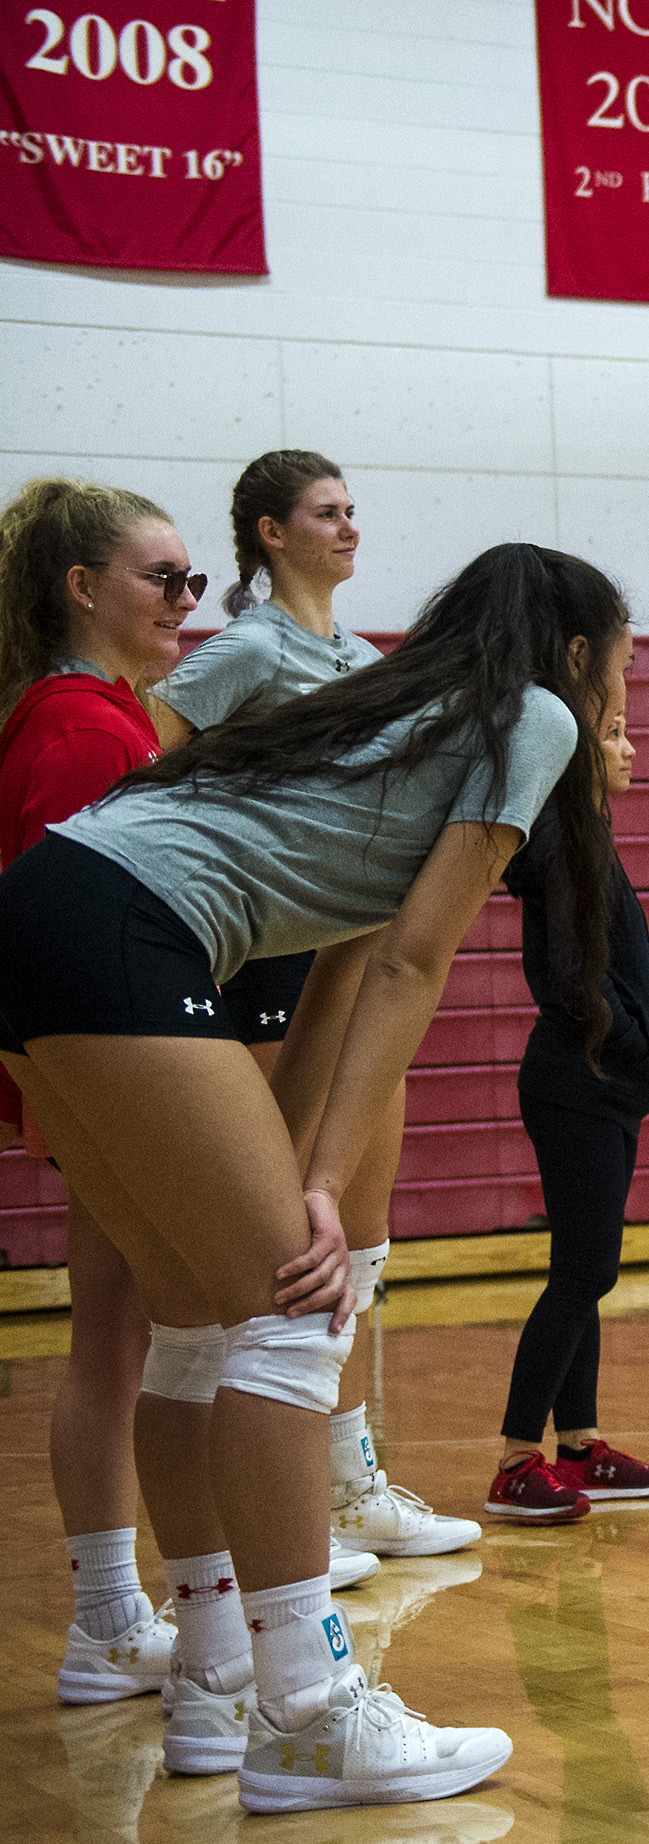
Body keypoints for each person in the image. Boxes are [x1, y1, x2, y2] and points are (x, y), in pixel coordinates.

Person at [0, 538, 629, 1812]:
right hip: (128, 928)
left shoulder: (392, 713)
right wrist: (324, 1192)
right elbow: (409, 967)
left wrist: (311, 1166)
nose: (626, 696)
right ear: (576, 655)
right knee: (294, 1317)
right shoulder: (537, 719)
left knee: (191, 1337)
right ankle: (311, 1714)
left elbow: (352, 966)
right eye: (624, 664)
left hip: (40, 916)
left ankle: (216, 1687)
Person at [146, 450, 476, 1562]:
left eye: (353, 511)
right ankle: (286, 1510)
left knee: (359, 1224)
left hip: (345, 949)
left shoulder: (353, 656)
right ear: (269, 534)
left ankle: (349, 1480)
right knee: (285, 1225)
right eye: (325, 514)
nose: (348, 529)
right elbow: (156, 766)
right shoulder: (244, 649)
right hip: (266, 954)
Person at [0, 479, 186, 1710]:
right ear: (82, 589)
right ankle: (124, 1619)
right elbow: (68, 937)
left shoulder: (110, 715)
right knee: (131, 1346)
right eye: (161, 579)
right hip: (107, 1072)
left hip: (102, 1077)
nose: (185, 601)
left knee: (117, 1342)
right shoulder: (79, 730)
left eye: (191, 582)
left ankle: (116, 1618)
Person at [487, 700, 649, 1524]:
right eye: (612, 734)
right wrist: (636, 1044)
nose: (630, 747)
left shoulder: (590, 842)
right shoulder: (566, 846)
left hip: (605, 1083)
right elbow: (573, 980)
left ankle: (580, 1446)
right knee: (585, 1269)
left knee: (584, 1267)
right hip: (581, 1080)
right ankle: (514, 1461)